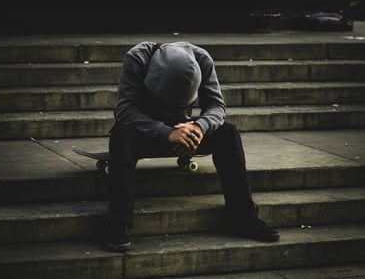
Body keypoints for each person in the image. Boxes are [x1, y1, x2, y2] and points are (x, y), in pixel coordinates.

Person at [106, 41, 280, 252]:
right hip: (146, 133)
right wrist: (167, 133)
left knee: (228, 133)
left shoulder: (202, 59)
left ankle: (242, 218)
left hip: (186, 129)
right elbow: (124, 110)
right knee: (121, 133)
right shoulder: (137, 58)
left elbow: (217, 106)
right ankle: (118, 223)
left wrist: (198, 127)